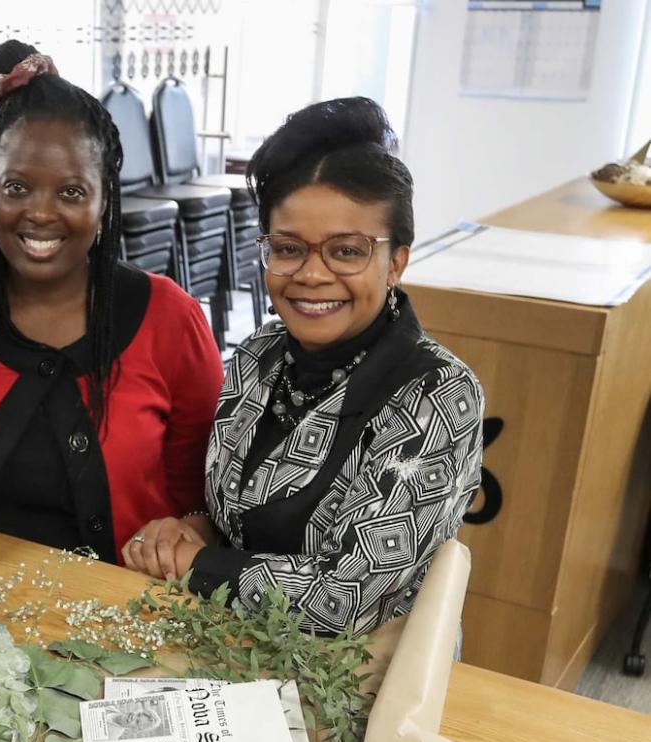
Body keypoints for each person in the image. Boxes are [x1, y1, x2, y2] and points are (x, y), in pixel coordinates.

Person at [0, 41, 223, 565]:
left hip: (126, 613)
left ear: (103, 199)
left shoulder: (169, 318)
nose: (39, 214)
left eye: (71, 192)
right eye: (17, 187)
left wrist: (187, 531)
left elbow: (202, 498)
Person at [125, 98, 484, 636]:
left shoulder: (437, 395)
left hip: (351, 679)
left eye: (346, 251)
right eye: (288, 248)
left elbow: (345, 601)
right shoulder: (259, 354)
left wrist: (197, 564)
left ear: (397, 263)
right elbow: (237, 518)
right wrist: (187, 531)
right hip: (225, 636)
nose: (311, 275)